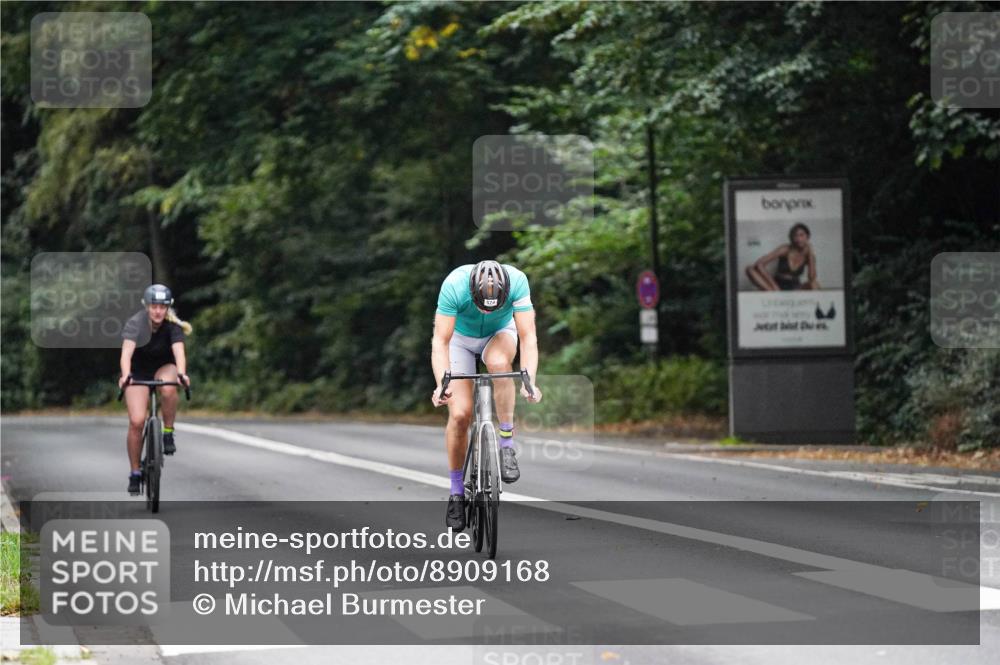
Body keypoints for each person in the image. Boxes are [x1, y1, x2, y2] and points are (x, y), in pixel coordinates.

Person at [430, 260, 542, 530]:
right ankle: (456, 492)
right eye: (481, 305)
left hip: (500, 334)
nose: (486, 310)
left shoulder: (517, 281)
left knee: (499, 363)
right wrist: (441, 384)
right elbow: (440, 341)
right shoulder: (454, 285)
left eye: (493, 306)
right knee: (460, 415)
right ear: (472, 292)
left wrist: (530, 381)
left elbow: (528, 337)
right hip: (459, 341)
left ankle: (506, 444)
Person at [119, 284, 192, 495]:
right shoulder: (135, 324)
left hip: (164, 368)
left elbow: (179, 353)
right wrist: (126, 375)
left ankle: (168, 432)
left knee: (169, 388)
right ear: (147, 306)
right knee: (137, 421)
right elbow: (126, 354)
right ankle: (135, 472)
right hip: (138, 372)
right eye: (154, 306)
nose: (158, 311)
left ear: (168, 307)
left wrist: (182, 374)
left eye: (162, 307)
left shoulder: (172, 326)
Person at [745, 223, 820, 291]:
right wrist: (774, 285)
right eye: (795, 235)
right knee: (750, 269)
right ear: (792, 238)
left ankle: (776, 294)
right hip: (777, 284)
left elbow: (812, 278)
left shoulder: (810, 256)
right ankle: (773, 292)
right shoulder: (785, 249)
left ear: (808, 237)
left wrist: (810, 252)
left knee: (814, 284)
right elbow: (759, 264)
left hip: (795, 287)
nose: (799, 239)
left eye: (801, 235)